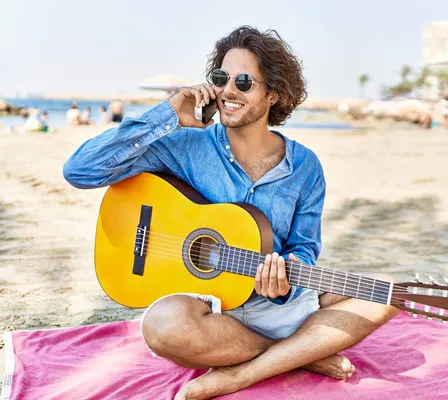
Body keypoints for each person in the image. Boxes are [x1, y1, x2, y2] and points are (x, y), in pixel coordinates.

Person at [63, 26, 398, 400]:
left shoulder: (305, 166)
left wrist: (282, 281)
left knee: (386, 293)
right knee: (161, 328)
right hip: (206, 308)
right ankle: (297, 353)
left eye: (244, 81)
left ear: (273, 93)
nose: (228, 91)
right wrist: (166, 116)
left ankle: (243, 373)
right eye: (221, 78)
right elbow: (80, 171)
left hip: (275, 303)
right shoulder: (185, 145)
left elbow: (304, 248)